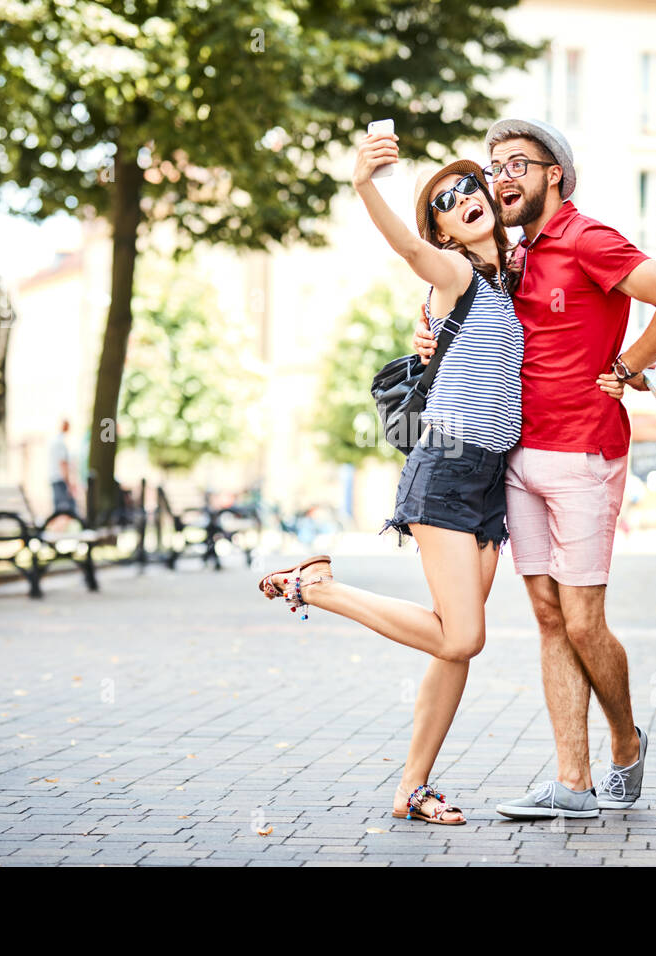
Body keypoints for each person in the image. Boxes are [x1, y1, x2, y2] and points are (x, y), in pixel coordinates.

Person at [258, 129, 623, 825]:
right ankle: (318, 586)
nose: (462, 200)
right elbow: (407, 250)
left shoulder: (511, 279)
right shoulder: (454, 275)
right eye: (446, 203)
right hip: (447, 470)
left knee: (451, 646)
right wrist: (365, 185)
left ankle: (412, 789)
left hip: (492, 478)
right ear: (446, 232)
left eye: (469, 188)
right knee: (463, 637)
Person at [413, 118, 656, 818]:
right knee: (548, 619)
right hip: (517, 455)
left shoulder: (587, 238)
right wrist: (426, 332)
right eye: (495, 164)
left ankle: (625, 745)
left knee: (582, 622)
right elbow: (466, 319)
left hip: (582, 452)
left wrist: (631, 364)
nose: (502, 174)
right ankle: (573, 784)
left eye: (519, 162)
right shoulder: (513, 259)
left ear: (555, 175)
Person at [48, 419, 78, 516]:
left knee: (59, 508)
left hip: (54, 478)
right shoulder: (60, 443)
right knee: (67, 509)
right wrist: (69, 483)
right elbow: (63, 464)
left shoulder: (54, 441)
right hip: (60, 480)